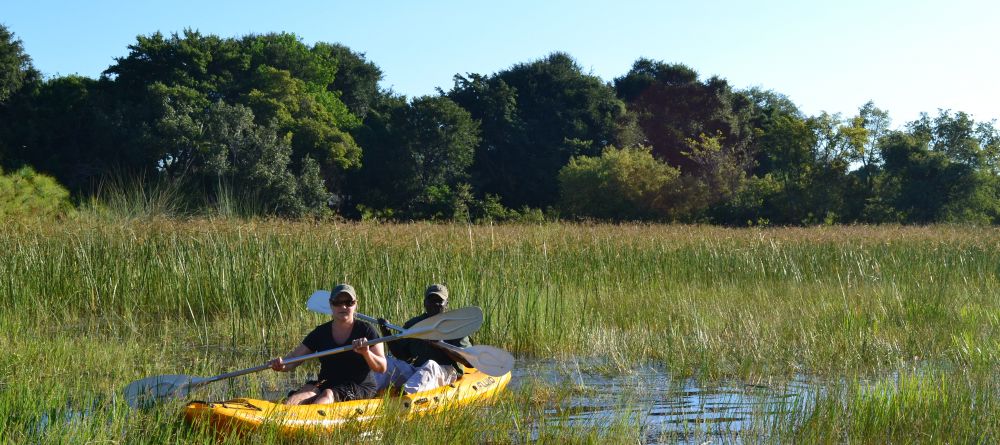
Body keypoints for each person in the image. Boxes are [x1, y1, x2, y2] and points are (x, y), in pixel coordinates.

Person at [269, 283, 387, 405]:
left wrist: (366, 353)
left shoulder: (367, 330)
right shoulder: (320, 332)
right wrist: (281, 365)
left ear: (355, 304)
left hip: (359, 386)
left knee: (327, 395)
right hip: (326, 382)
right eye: (338, 303)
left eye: (348, 302)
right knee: (303, 394)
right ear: (331, 305)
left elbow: (382, 367)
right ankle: (282, 417)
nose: (343, 306)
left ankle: (312, 421)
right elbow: (294, 358)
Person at [375, 284, 471, 394]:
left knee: (431, 365)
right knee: (388, 362)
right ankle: (368, 392)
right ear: (425, 303)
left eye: (439, 301)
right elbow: (401, 355)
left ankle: (404, 399)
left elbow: (469, 362)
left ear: (447, 304)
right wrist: (387, 333)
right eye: (431, 300)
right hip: (417, 370)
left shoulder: (456, 327)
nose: (435, 304)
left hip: (446, 372)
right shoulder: (414, 324)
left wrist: (441, 345)